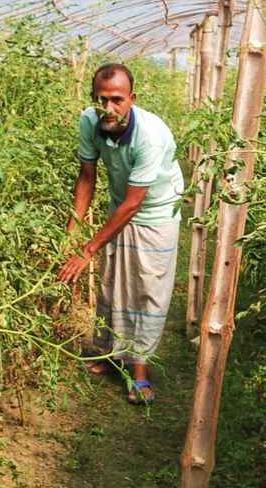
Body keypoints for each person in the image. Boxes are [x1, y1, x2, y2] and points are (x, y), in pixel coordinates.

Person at [57, 62, 184, 404]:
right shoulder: (89, 121)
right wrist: (73, 230)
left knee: (147, 289)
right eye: (101, 100)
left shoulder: (150, 135)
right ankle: (110, 354)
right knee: (113, 283)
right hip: (121, 204)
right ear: (92, 99)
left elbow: (134, 204)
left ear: (131, 98)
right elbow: (87, 176)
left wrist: (87, 250)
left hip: (156, 212)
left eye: (116, 99)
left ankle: (139, 372)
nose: (108, 108)